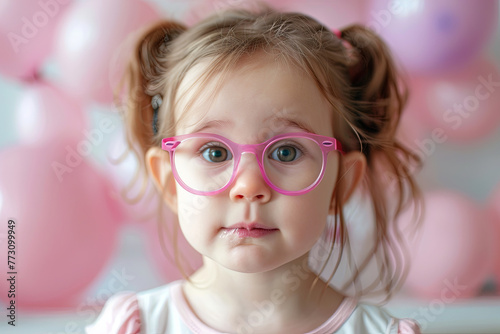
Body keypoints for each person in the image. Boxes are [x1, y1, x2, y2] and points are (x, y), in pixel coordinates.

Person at [86, 4, 423, 334]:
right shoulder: (133, 327)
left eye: (287, 152)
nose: (248, 185)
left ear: (342, 182)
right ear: (170, 181)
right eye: (215, 152)